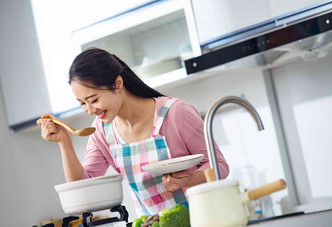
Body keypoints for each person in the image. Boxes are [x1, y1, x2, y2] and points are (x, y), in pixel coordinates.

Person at [37, 47, 229, 216]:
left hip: (204, 219)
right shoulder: (102, 132)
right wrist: (64, 142)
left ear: (118, 83)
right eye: (82, 104)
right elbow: (82, 186)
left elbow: (219, 165)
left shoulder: (175, 113)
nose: (90, 110)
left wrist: (190, 179)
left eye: (94, 100)